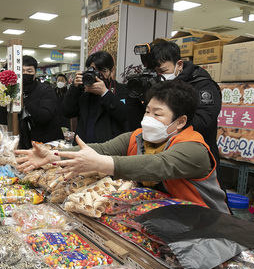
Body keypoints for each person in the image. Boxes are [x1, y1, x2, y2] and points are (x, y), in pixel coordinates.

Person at [16, 80, 229, 213]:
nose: (149, 118)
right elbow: (101, 149)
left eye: (158, 114)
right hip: (162, 216)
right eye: (147, 112)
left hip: (204, 221)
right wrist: (52, 156)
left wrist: (102, 163)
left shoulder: (194, 148)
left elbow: (155, 165)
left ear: (181, 121)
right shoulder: (136, 137)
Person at [146, 40, 223, 180]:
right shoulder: (160, 84)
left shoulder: (202, 84)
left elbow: (204, 121)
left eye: (163, 71)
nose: (160, 76)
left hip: (196, 155)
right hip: (166, 154)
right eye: (156, 72)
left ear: (179, 64)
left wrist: (170, 121)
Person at [61, 51, 129, 144]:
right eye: (94, 70)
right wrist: (74, 88)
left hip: (107, 149)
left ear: (112, 70)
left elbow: (123, 116)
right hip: (82, 146)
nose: (98, 75)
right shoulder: (83, 89)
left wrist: (104, 93)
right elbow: (66, 112)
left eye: (103, 70)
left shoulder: (121, 89)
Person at [0, 56, 64, 148]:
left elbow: (45, 116)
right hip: (23, 142)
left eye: (29, 71)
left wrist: (23, 100)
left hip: (46, 142)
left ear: (35, 73)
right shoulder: (10, 91)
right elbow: (0, 120)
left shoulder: (46, 90)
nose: (25, 73)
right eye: (22, 70)